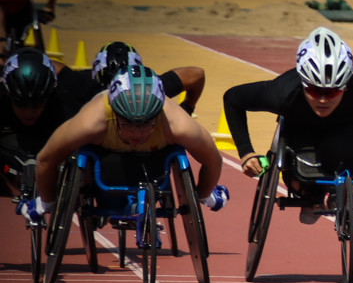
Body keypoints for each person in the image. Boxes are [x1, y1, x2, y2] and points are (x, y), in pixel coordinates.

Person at [223, 26, 353, 224]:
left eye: (332, 92)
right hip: (299, 137)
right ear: (303, 83)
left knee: (338, 148)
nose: (322, 99)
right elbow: (233, 99)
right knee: (299, 165)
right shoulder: (283, 91)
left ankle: (333, 193)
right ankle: (314, 197)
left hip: (346, 136)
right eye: (313, 90)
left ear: (345, 86)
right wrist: (246, 153)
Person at [18, 64, 227, 223]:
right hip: (104, 158)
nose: (137, 132)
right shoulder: (92, 121)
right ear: (116, 116)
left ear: (157, 116)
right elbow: (46, 159)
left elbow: (213, 161)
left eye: (145, 125)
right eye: (129, 124)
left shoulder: (178, 125)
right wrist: (48, 202)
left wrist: (202, 195)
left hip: (154, 160)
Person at [0, 48, 79, 197]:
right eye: (21, 104)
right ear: (8, 94)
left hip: (47, 151)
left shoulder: (63, 104)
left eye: (37, 105)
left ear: (48, 97)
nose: (29, 113)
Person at [57, 41, 206, 115]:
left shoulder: (80, 82)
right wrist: (187, 107)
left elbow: (196, 74)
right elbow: (196, 74)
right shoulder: (146, 86)